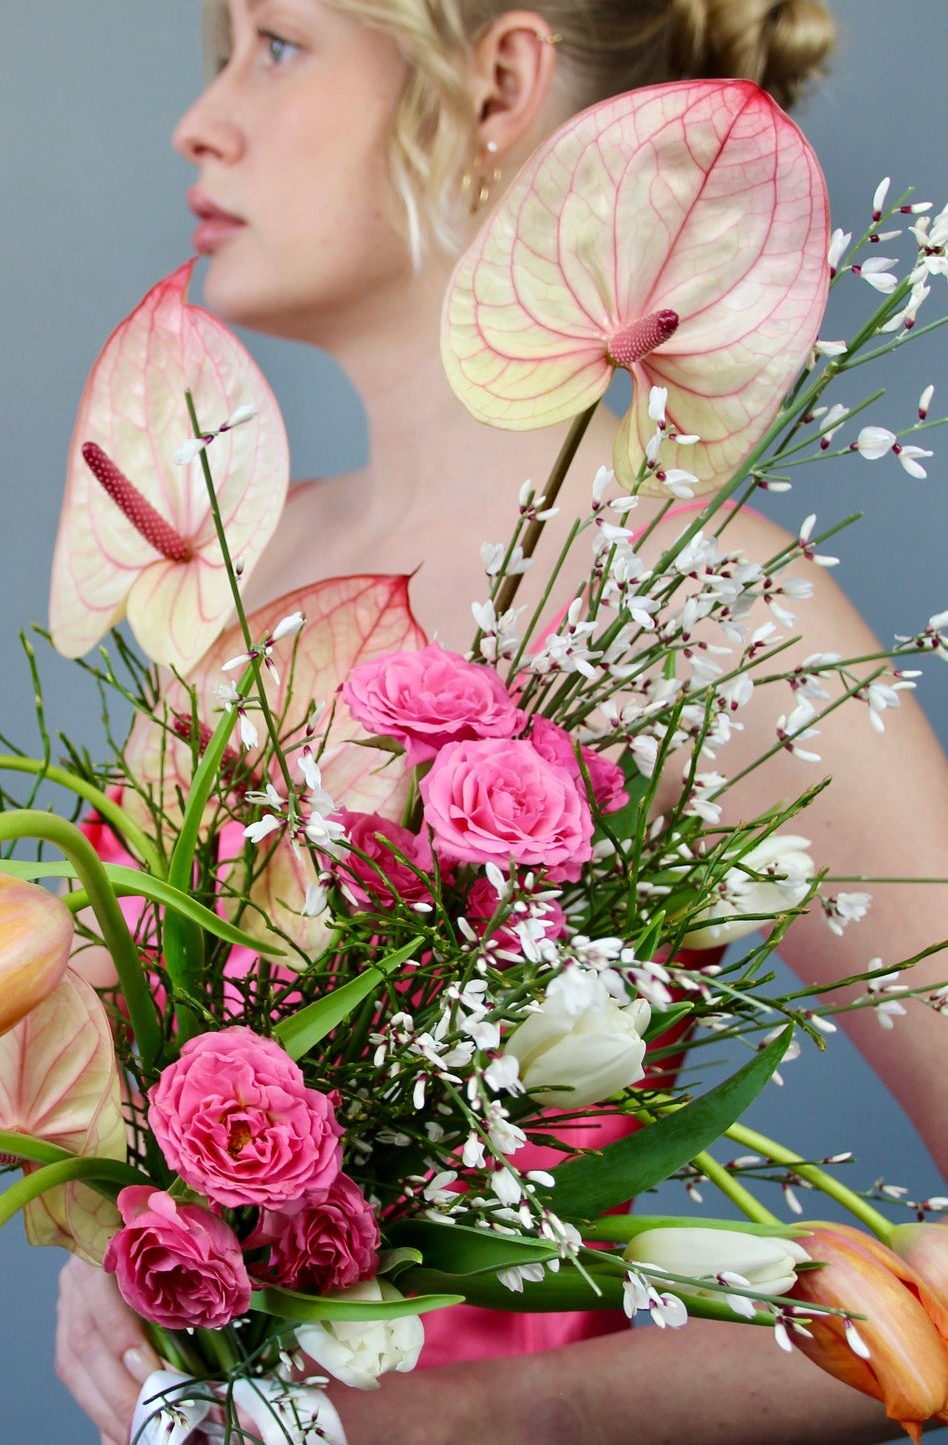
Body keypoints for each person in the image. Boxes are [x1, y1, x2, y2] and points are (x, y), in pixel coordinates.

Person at [56, 2, 948, 1440]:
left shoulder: (698, 601)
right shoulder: (235, 564)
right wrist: (107, 1252)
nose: (199, 118)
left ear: (495, 84)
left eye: (274, 43)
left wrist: (498, 1416)